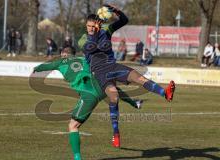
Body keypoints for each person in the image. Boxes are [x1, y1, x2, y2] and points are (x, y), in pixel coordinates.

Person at [78, 4, 175, 150]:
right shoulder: (83, 39)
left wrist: (115, 11)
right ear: (86, 25)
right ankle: (116, 132)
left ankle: (165, 93)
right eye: (89, 26)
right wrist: (96, 32)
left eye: (94, 25)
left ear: (99, 23)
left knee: (140, 78)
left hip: (113, 66)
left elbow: (124, 20)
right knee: (114, 96)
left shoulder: (106, 31)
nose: (91, 28)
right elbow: (90, 47)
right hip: (99, 73)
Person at [33, 47, 143, 160]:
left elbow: (46, 66)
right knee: (112, 89)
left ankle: (77, 158)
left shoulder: (60, 62)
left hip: (89, 94)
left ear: (63, 54)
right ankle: (134, 103)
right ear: (74, 54)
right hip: (99, 85)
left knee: (73, 126)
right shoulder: (84, 59)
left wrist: (36, 68)